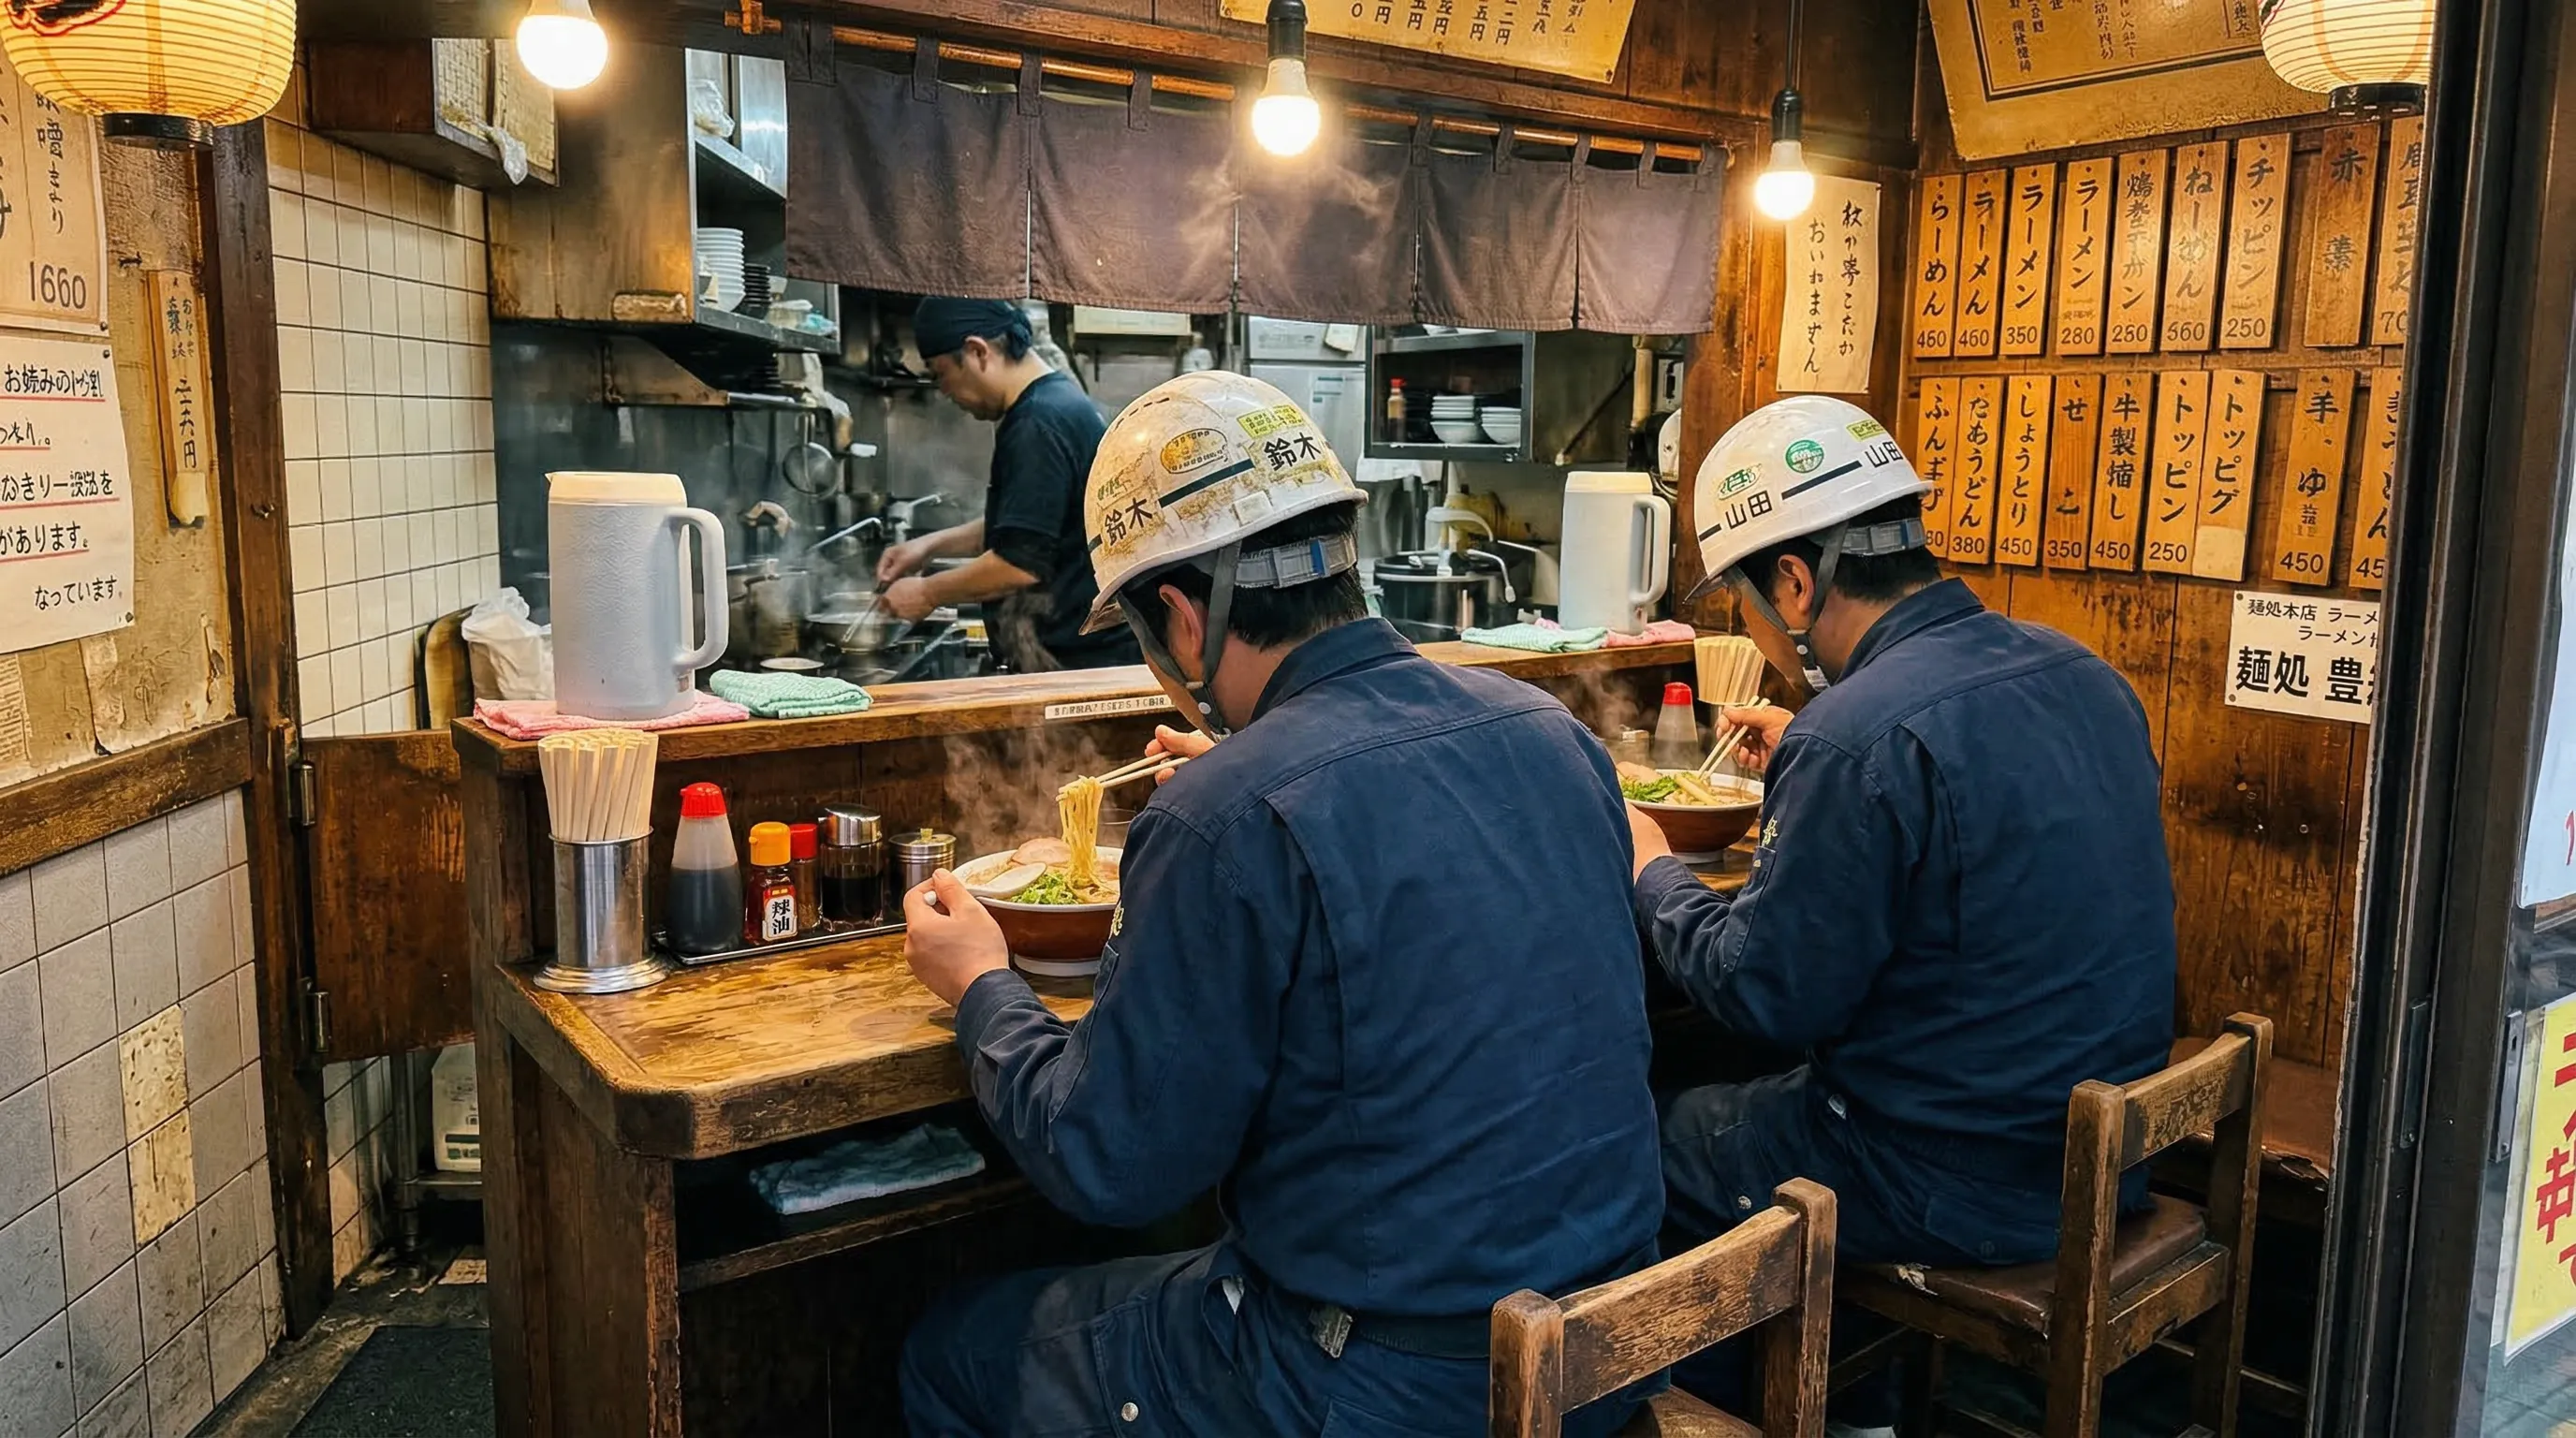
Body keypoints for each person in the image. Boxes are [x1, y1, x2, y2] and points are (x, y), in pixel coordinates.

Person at [898, 372, 1665, 1437]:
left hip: (1390, 1387)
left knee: (951, 1351)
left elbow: (1107, 1160)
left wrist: (978, 980)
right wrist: (1241, 775)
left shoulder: (1228, 815)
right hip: (1608, 1351)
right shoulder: (1548, 731)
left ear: (1177, 615)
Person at [1634, 396, 2176, 1428]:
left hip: (1955, 1182)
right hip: (2097, 1160)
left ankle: (1762, 1417)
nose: (1760, 627)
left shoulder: (1856, 736)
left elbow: (1764, 995)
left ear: (1794, 580)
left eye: (1750, 601)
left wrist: (1650, 867)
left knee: (1650, 1143)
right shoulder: (2082, 671)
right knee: (1762, 1105)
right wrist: (1819, 742)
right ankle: (1861, 1401)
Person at [875, 296, 1139, 671]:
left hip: (1074, 663)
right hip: (1080, 655)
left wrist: (927, 592)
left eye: (940, 373)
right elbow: (1029, 526)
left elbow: (1019, 564)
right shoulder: (1054, 402)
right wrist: (928, 546)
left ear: (976, 351)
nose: (944, 392)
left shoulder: (1037, 423)